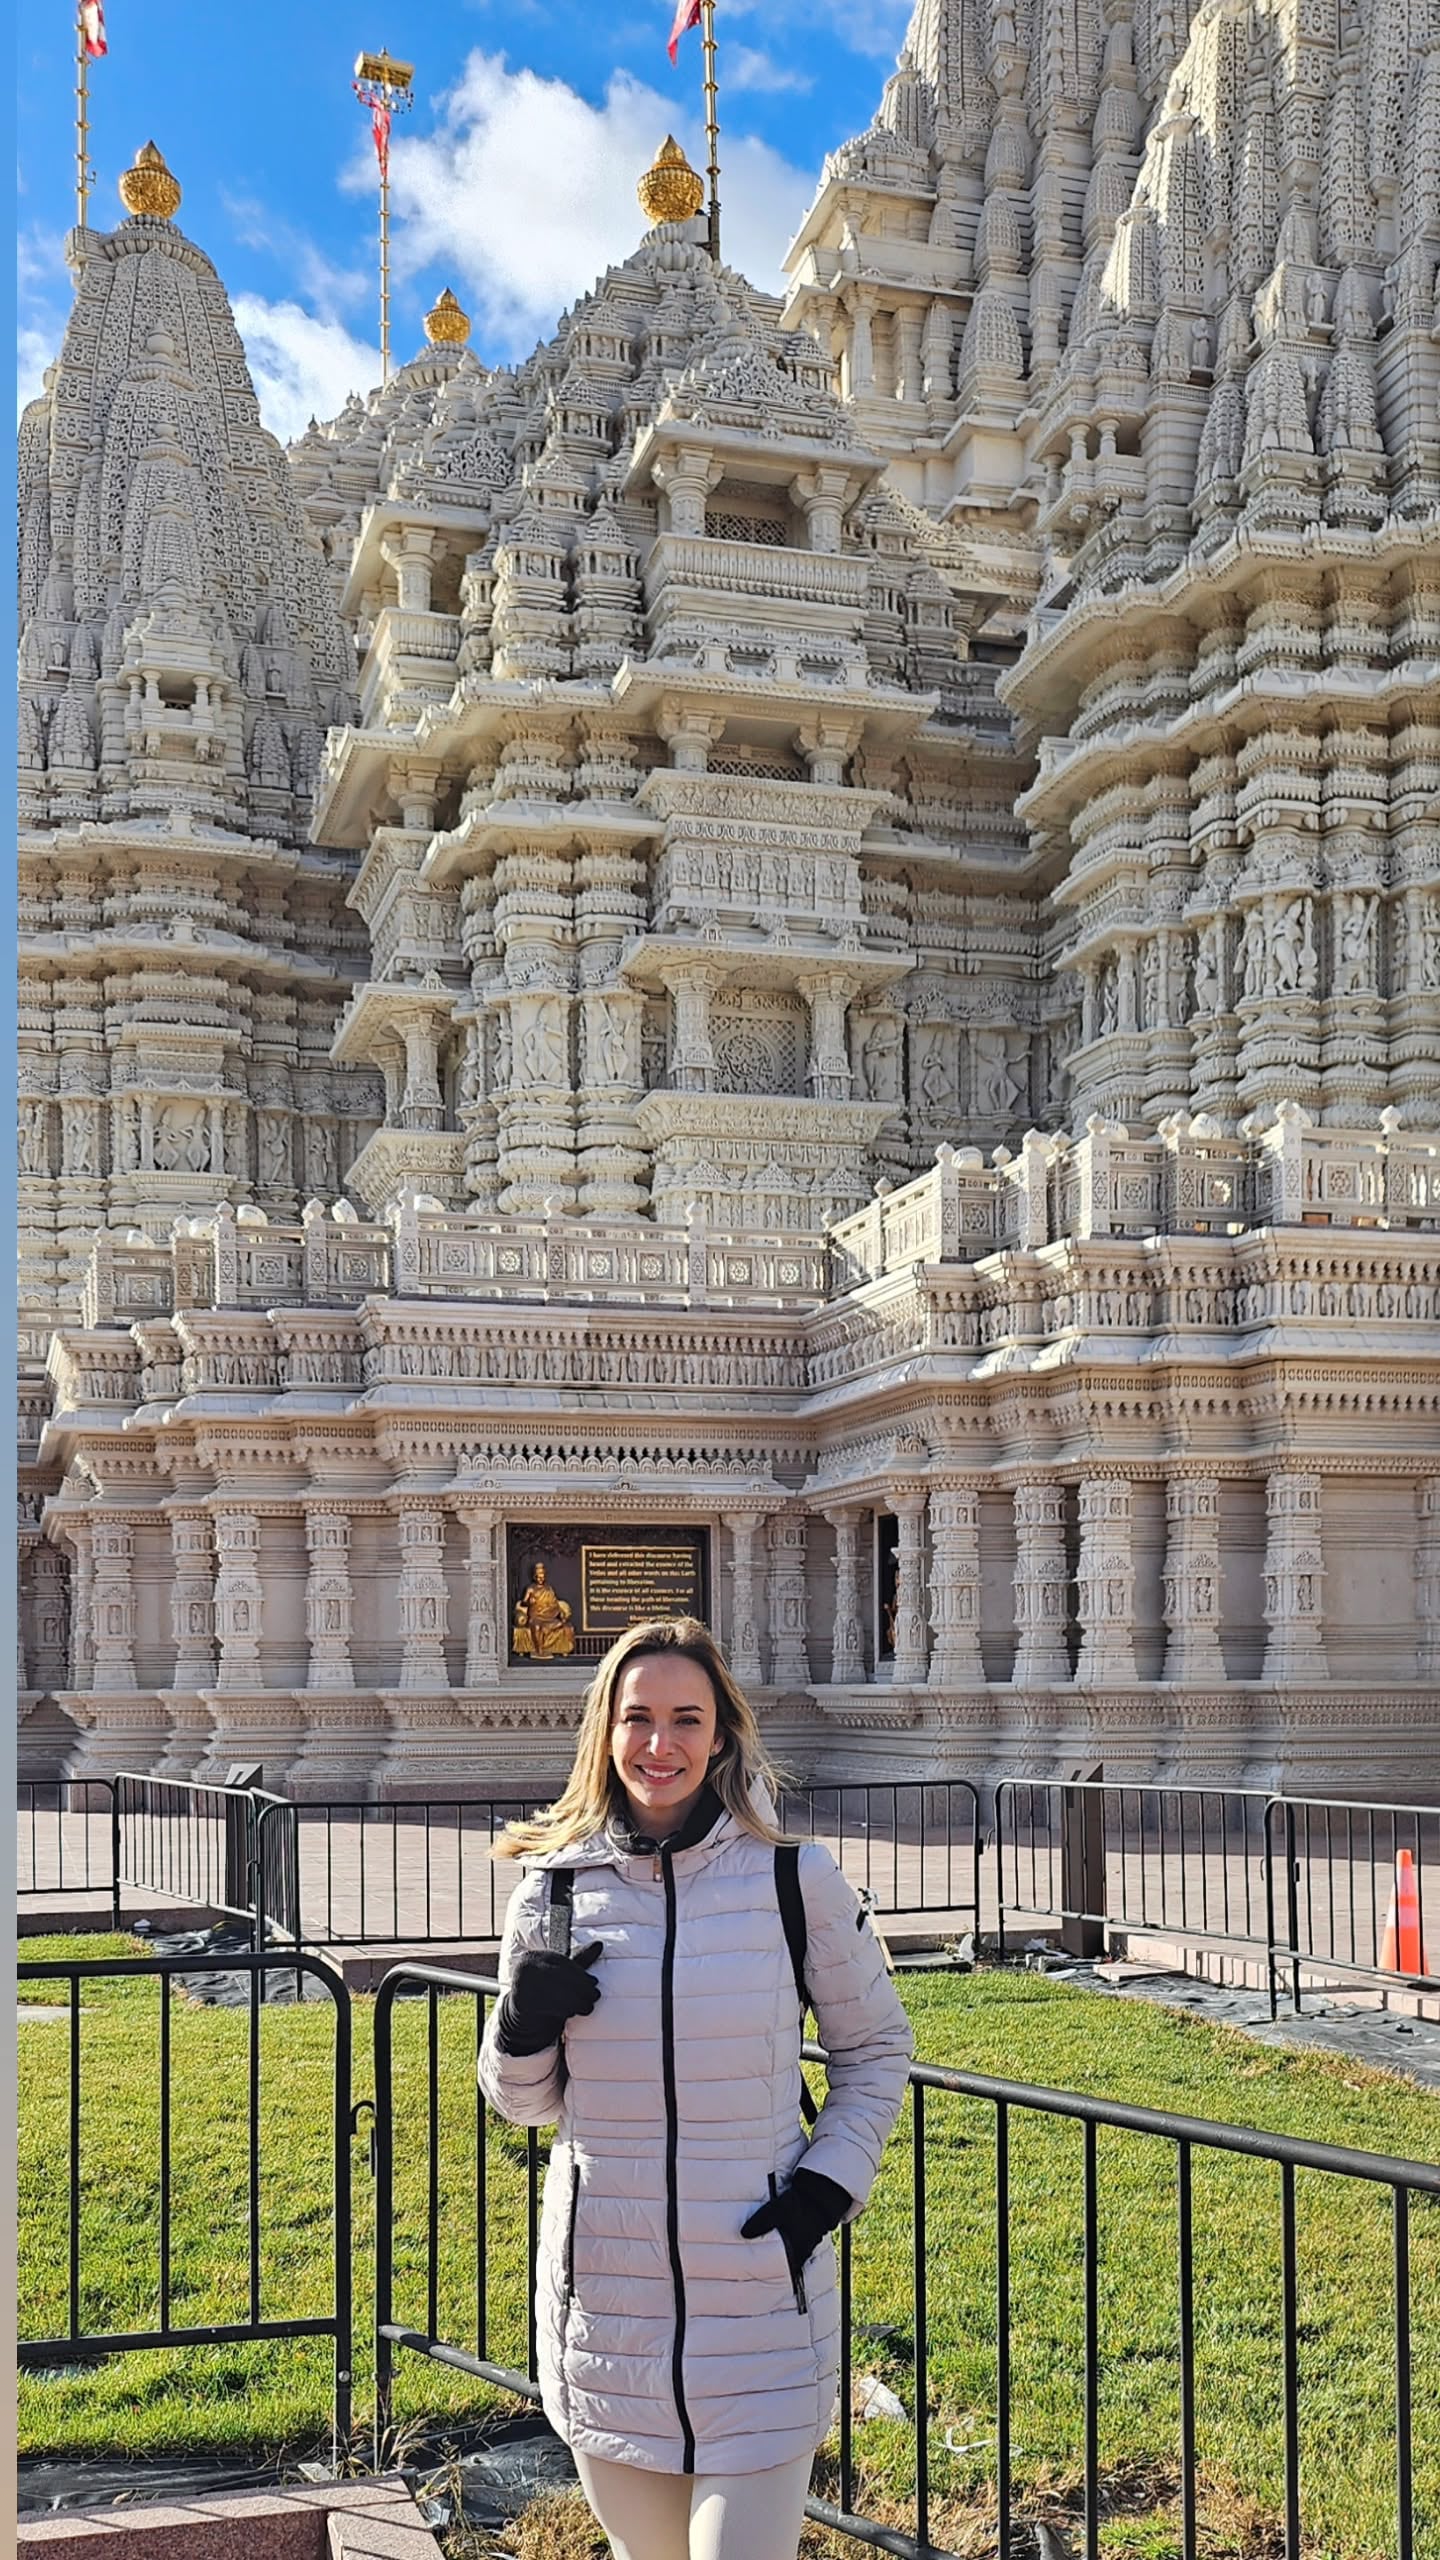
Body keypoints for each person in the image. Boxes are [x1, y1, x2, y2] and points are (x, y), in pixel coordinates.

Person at [480, 1616, 913, 2560]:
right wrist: (521, 2024)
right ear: (606, 1730)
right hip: (610, 2305)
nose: (660, 1744)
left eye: (687, 1718)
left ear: (721, 1733)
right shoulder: (554, 1890)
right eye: (638, 1718)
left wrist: (826, 2188)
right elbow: (521, 2101)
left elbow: (876, 2046)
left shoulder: (795, 1881)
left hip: (757, 2298)